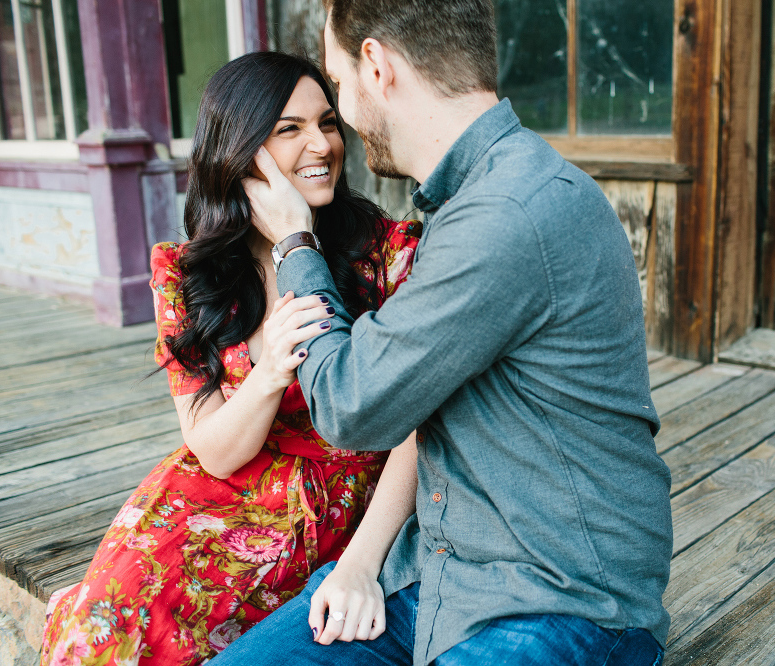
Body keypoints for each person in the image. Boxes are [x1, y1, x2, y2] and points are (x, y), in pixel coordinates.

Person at [210, 0, 674, 664]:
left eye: (338, 85)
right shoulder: (473, 200)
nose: (341, 113)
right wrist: (361, 563)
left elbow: (350, 403)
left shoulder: (507, 213)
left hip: (561, 600)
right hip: (438, 572)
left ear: (377, 66)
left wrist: (293, 243)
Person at [39, 51, 422, 666]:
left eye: (326, 122)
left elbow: (418, 426)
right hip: (209, 492)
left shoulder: (388, 258)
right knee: (105, 626)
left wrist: (362, 563)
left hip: (333, 507)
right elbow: (213, 448)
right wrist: (270, 372)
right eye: (288, 130)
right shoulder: (188, 273)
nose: (322, 144)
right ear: (239, 152)